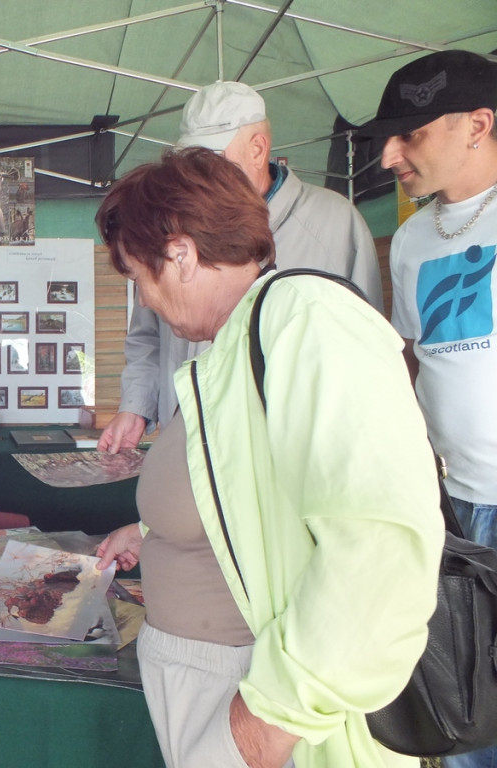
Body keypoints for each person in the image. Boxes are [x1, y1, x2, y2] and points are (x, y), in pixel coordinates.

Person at [93, 147, 444, 768]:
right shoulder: (239, 338)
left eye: (136, 277)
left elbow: (380, 548)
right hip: (223, 688)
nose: (143, 300)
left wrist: (265, 725)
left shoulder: (307, 319)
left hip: (266, 709)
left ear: (179, 253)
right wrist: (152, 532)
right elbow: (244, 493)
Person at [99, 81, 383, 453]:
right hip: (187, 441)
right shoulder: (176, 221)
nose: (201, 173)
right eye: (193, 160)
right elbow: (146, 334)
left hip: (278, 454)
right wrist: (136, 406)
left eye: (214, 158)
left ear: (258, 148)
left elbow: (365, 358)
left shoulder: (335, 224)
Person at [358, 48, 497, 768]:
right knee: (468, 715)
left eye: (409, 134)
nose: (387, 156)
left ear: (477, 124)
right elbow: (412, 362)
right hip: (458, 508)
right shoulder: (411, 240)